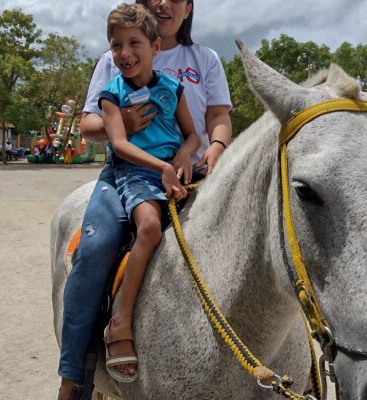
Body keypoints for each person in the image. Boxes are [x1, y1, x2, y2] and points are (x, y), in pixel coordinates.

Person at [57, 0, 232, 397]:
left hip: (193, 170)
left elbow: (216, 117)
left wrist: (212, 151)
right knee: (97, 245)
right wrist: (122, 124)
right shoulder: (113, 61)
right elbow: (89, 124)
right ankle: (75, 376)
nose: (163, 2)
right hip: (128, 171)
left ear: (188, 8)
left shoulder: (203, 59)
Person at [96, 3, 200, 382]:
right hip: (137, 173)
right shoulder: (112, 95)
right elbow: (119, 145)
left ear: (156, 47)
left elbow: (193, 134)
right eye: (116, 45)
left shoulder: (173, 88)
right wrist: (163, 167)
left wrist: (185, 155)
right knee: (150, 228)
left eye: (134, 43)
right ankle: (119, 321)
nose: (124, 53)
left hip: (175, 169)